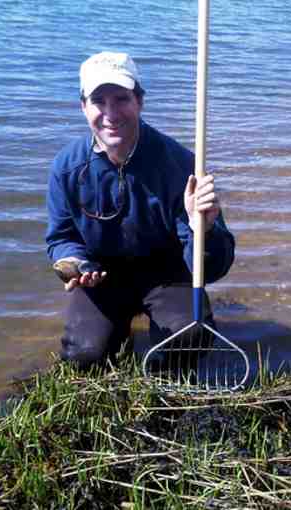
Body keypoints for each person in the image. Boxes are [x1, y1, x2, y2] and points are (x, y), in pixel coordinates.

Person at [45, 51, 235, 369]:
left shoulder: (182, 165)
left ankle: (164, 369)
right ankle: (115, 337)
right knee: (84, 356)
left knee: (191, 337)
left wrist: (202, 230)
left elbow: (214, 269)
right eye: (98, 101)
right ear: (83, 107)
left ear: (140, 102)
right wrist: (74, 263)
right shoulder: (66, 167)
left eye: (121, 99)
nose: (110, 113)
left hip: (168, 273)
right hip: (103, 276)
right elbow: (61, 238)